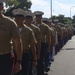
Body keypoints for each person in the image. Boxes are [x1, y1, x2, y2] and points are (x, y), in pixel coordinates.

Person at [12, 8, 37, 75]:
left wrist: (35, 59)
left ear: (23, 19)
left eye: (19, 18)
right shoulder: (12, 29)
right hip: (14, 54)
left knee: (25, 73)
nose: (16, 19)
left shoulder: (29, 31)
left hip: (25, 55)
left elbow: (32, 46)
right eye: (15, 18)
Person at [0, 1, 22, 75]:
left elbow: (18, 43)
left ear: (2, 8)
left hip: (5, 58)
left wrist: (18, 62)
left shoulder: (10, 23)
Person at [24, 11, 42, 75]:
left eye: (29, 18)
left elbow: (39, 42)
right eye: (26, 18)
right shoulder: (19, 28)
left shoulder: (36, 29)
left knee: (31, 68)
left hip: (32, 50)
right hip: (21, 51)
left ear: (32, 19)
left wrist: (38, 53)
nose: (27, 20)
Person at [34, 11, 51, 75]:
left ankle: (41, 72)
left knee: (40, 59)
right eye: (37, 17)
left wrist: (48, 47)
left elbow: (48, 37)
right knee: (34, 59)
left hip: (42, 44)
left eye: (39, 17)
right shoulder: (33, 26)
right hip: (34, 44)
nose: (38, 18)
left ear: (41, 17)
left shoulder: (45, 26)